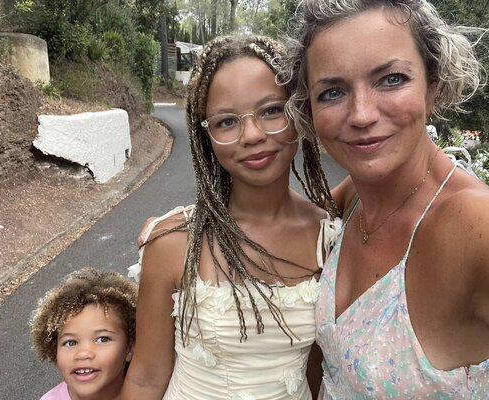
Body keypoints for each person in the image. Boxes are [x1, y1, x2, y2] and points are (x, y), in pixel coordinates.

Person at [279, 0, 489, 398]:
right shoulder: (352, 200)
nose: (362, 114)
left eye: (391, 79)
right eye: (332, 92)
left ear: (432, 86)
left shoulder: (487, 229)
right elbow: (277, 232)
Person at [121, 35, 341, 400]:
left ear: (298, 112)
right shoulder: (174, 242)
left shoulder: (329, 239)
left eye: (271, 110)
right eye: (226, 121)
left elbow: (318, 369)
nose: (252, 135)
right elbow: (145, 377)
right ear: (206, 135)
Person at [30, 268, 138, 400]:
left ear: (130, 348)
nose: (83, 354)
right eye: (70, 342)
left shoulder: (154, 392)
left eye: (102, 339)